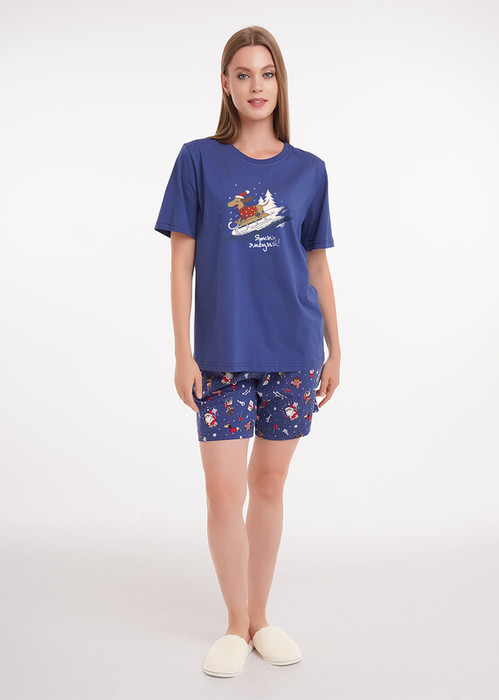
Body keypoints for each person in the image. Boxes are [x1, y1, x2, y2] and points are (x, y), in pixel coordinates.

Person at [153, 25, 341, 677]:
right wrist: (182, 353)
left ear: (279, 83)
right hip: (222, 356)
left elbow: (316, 265)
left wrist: (335, 348)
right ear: (225, 85)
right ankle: (234, 623)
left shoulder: (309, 170)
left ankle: (260, 618)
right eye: (243, 74)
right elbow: (181, 265)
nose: (256, 85)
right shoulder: (197, 161)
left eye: (267, 73)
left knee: (269, 484)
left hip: (293, 351)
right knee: (222, 491)